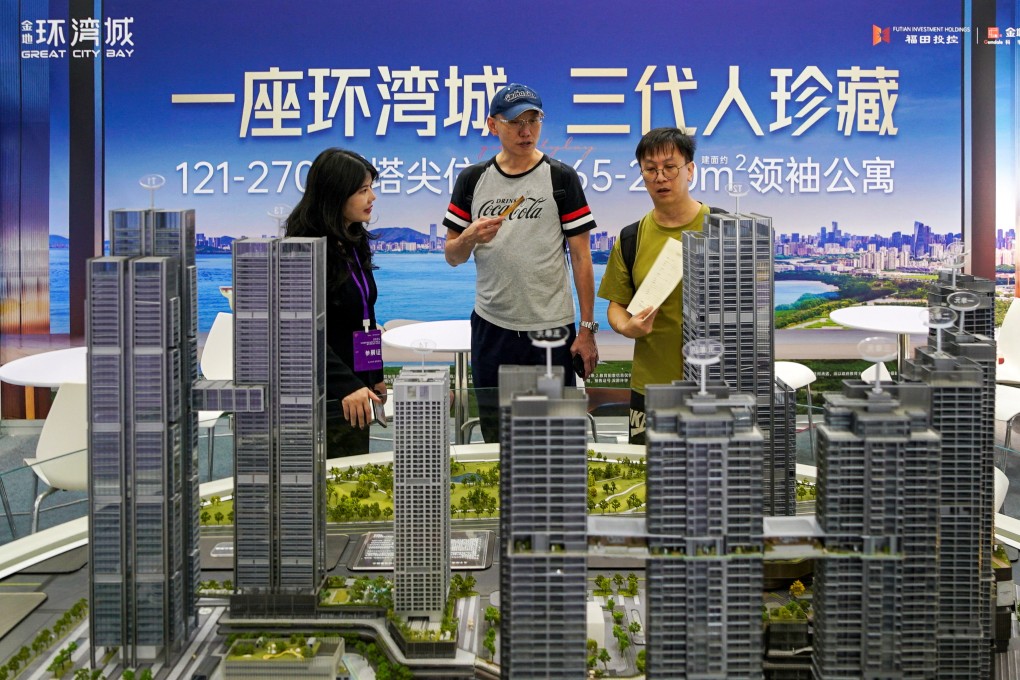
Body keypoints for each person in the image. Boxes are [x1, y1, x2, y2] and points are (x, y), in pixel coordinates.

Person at [443, 82, 599, 442]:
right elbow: (452, 256)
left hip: (551, 329)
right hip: (492, 326)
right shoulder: (472, 180)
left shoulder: (561, 178)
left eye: (534, 120)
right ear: (493, 125)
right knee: (497, 434)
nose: (526, 131)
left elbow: (581, 256)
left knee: (554, 435)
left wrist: (587, 329)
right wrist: (468, 237)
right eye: (515, 122)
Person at [597, 127, 710, 444]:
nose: (661, 177)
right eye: (650, 169)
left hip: (715, 385)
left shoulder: (724, 229)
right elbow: (616, 305)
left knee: (714, 481)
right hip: (650, 385)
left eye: (670, 167)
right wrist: (626, 327)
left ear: (690, 170)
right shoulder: (631, 237)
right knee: (646, 480)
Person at [285, 147, 387, 455]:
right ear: (335, 195)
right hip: (323, 392)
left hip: (356, 387)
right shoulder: (302, 250)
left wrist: (375, 375)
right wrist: (346, 384)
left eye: (371, 188)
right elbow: (299, 334)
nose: (372, 198)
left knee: (353, 480)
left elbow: (364, 318)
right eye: (362, 190)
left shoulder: (353, 241)